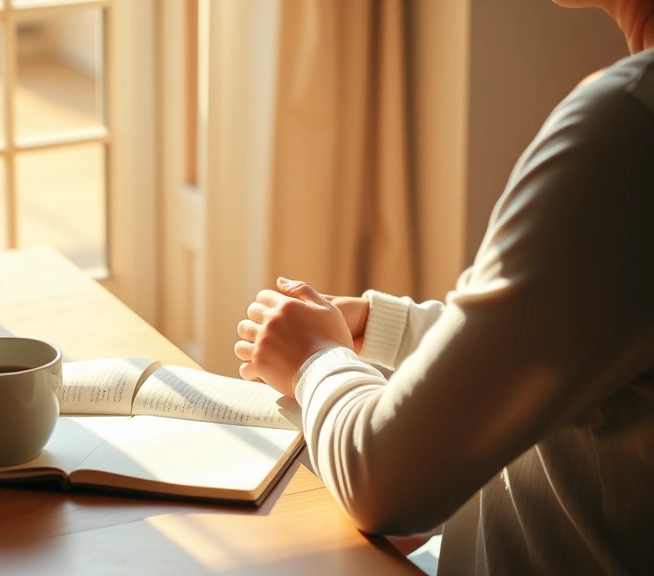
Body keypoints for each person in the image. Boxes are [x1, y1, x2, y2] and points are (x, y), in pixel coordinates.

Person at [234, 1, 654, 574]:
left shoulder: (627, 128)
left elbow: (384, 486)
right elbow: (573, 344)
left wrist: (312, 359)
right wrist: (387, 328)